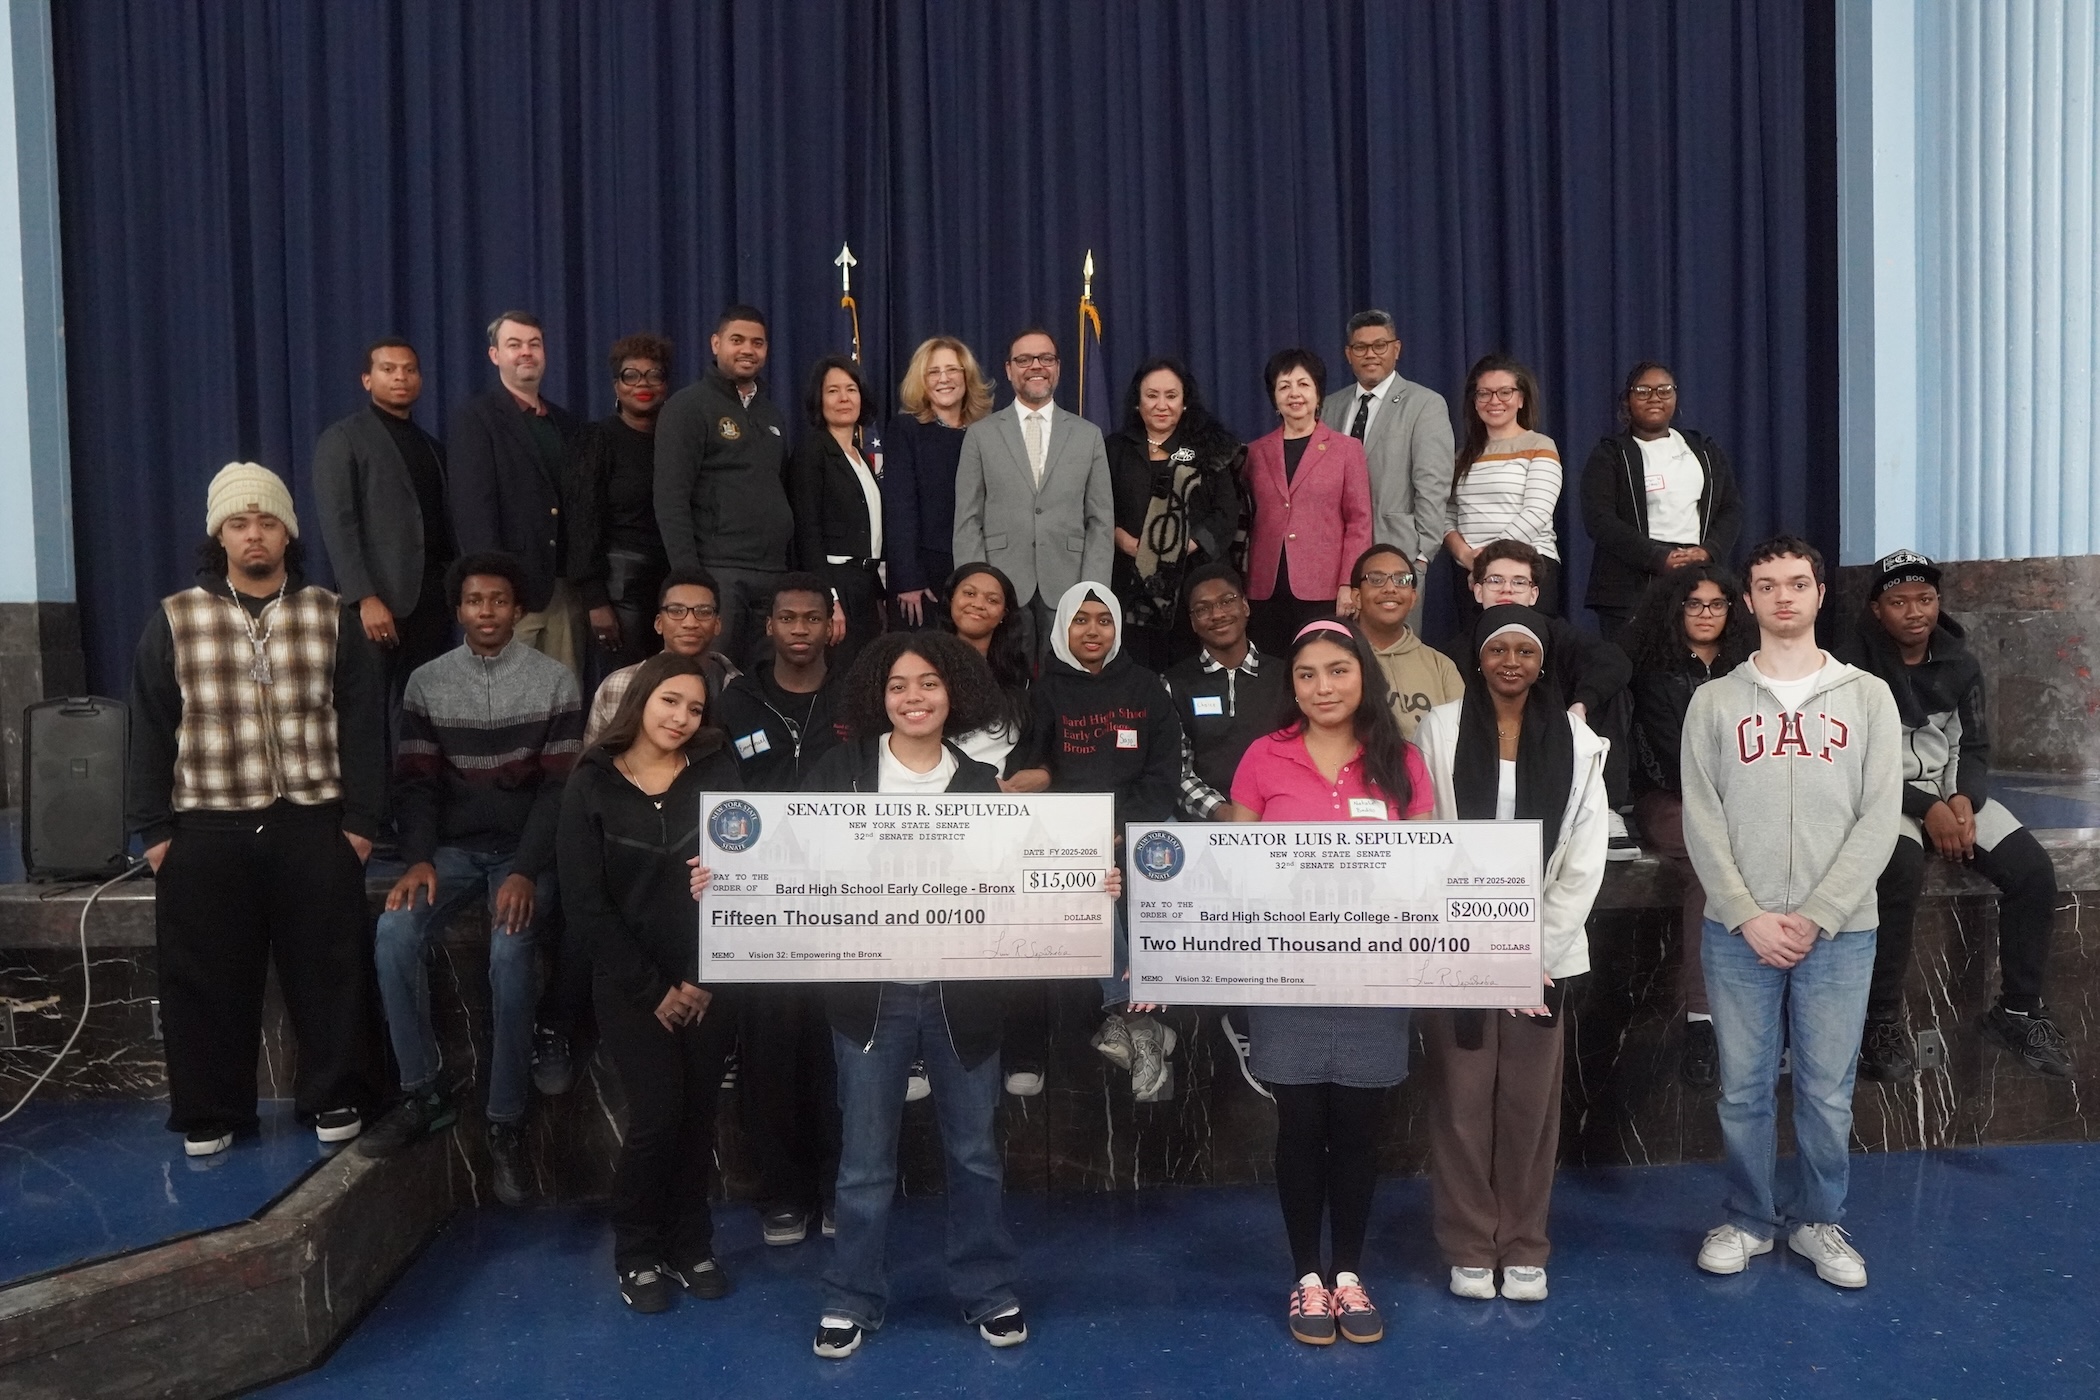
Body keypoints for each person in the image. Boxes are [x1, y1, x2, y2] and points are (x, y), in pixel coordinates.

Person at [779, 631, 1109, 1357]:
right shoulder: (839, 773)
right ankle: (851, 1298)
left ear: (953, 693)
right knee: (864, 1163)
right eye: (899, 686)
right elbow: (787, 863)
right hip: (869, 1000)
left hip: (964, 1002)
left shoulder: (982, 785)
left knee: (976, 1156)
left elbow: (1021, 887)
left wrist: (1087, 883)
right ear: (878, 697)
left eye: (928, 684)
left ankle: (987, 1291)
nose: (914, 698)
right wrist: (727, 878)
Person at [127, 463, 384, 1156]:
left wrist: (360, 824)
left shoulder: (329, 613)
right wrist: (154, 832)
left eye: (267, 522)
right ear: (220, 535)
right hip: (207, 828)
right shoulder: (178, 616)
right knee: (204, 976)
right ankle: (212, 1110)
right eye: (239, 524)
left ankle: (335, 1096)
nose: (254, 536)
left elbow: (363, 723)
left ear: (288, 532)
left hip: (313, 822)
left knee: (329, 969)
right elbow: (149, 725)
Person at [1681, 536, 1901, 1290]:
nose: (1783, 596)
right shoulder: (1714, 701)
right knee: (1742, 1086)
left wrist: (1820, 913)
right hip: (1737, 931)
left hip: (1839, 932)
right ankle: (1748, 1218)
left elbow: (1880, 817)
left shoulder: (1867, 695)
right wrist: (1745, 913)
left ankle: (1817, 1219)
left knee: (1825, 1088)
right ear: (1747, 601)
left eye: (1797, 583)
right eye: (1767, 585)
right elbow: (1701, 819)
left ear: (1818, 595)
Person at [1228, 618, 1434, 1346]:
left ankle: (1349, 1274)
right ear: (1292, 685)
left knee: (1356, 1129)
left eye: (1338, 671)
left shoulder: (1401, 760)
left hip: (1375, 975)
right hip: (1287, 975)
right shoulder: (1262, 756)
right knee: (1300, 1125)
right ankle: (1306, 1279)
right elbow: (1228, 865)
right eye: (1308, 674)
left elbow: (1428, 868)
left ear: (1362, 677)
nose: (1323, 686)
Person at [358, 552, 583, 1205]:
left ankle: (506, 1123)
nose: (486, 611)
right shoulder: (427, 682)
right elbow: (418, 785)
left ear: (518, 610)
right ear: (459, 611)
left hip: (524, 852)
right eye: (474, 601)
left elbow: (556, 792)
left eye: (499, 600)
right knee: (394, 934)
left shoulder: (555, 681)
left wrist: (524, 869)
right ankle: (422, 1091)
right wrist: (420, 858)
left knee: (512, 952)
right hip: (451, 852)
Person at [1415, 605, 1608, 1305]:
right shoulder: (1437, 729)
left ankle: (1525, 1245)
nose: (1511, 663)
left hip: (1543, 954)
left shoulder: (1581, 743)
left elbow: (1583, 859)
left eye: (1525, 651)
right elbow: (1423, 832)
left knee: (1530, 1103)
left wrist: (1537, 948)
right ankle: (1469, 1245)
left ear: (1542, 661)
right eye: (1498, 649)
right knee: (1461, 1100)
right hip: (1454, 941)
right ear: (1478, 656)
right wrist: (1463, 935)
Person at [1835, 551, 2069, 1080]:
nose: (1915, 611)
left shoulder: (1961, 662)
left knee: (2032, 871)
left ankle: (2017, 1010)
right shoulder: (1848, 666)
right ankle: (1880, 1022)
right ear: (1876, 609)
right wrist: (1926, 808)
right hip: (1881, 796)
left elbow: (1976, 744)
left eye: (1926, 599)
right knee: (1899, 869)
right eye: (1899, 601)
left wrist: (1962, 798)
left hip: (1951, 793)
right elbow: (1850, 760)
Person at [558, 650, 744, 1314]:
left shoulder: (720, 772)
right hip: (631, 986)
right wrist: (654, 990)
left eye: (695, 708)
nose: (682, 717)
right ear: (640, 699)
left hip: (709, 981)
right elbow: (585, 904)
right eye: (671, 701)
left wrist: (699, 976)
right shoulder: (591, 782)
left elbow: (747, 876)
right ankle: (636, 1251)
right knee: (657, 1117)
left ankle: (690, 1244)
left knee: (697, 1118)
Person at [1006, 582, 1183, 1099]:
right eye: (1079, 619)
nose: (1091, 630)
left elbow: (1164, 773)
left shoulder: (1147, 687)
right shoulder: (1046, 691)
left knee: (1149, 868)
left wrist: (1117, 828)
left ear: (1118, 628)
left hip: (1138, 823)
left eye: (1102, 620)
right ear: (1063, 627)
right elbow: (1033, 767)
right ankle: (1140, 1023)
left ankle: (1125, 1020)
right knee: (1090, 880)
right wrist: (1083, 834)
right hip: (1071, 831)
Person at [712, 573, 845, 1244]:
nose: (799, 629)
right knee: (769, 1055)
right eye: (787, 618)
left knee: (836, 1051)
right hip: (759, 905)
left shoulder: (857, 695)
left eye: (811, 618)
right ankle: (782, 1195)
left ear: (831, 625)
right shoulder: (736, 701)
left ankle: (835, 1189)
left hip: (844, 901)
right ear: (768, 626)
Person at [1622, 563, 1757, 1089]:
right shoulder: (1651, 667)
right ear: (1676, 609)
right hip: (1670, 797)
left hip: (1743, 797)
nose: (1705, 614)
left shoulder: (1749, 667)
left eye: (1717, 604)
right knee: (1709, 861)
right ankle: (1703, 1023)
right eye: (1694, 604)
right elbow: (1671, 755)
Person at [1446, 540, 1640, 859]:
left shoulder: (1558, 633)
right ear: (1477, 589)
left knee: (1612, 690)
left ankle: (1606, 811)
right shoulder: (1456, 650)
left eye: (1519, 582)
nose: (1507, 589)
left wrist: (1581, 705)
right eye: (1495, 580)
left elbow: (1615, 662)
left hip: (1556, 746)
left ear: (1534, 594)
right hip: (1486, 757)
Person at [312, 338, 457, 727]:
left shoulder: (433, 447)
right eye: (388, 369)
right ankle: (374, 791)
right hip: (379, 604)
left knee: (429, 713)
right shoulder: (343, 439)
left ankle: (420, 788)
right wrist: (364, 598)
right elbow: (339, 524)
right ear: (366, 379)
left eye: (409, 369)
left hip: (433, 601)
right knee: (371, 715)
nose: (400, 378)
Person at [951, 327, 1114, 653]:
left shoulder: (1088, 435)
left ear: (1058, 367)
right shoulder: (981, 435)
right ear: (1009, 370)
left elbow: (1100, 520)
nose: (1036, 366)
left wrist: (1092, 590)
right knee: (1005, 685)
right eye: (1024, 359)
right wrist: (976, 588)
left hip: (1069, 585)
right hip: (1001, 587)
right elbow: (968, 519)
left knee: (1062, 686)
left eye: (1045, 358)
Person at [653, 304, 795, 663]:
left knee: (761, 686)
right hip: (719, 574)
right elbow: (670, 498)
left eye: (757, 342)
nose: (748, 349)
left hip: (773, 573)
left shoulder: (772, 413)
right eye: (737, 340)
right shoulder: (688, 407)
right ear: (716, 344)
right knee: (709, 679)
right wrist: (692, 582)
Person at [447, 311, 583, 671]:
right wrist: (495, 594)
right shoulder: (476, 419)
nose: (526, 352)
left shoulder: (566, 424)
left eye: (534, 344)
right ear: (495, 356)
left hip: (563, 592)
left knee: (563, 697)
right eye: (514, 344)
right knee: (507, 701)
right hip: (510, 595)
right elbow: (474, 512)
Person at [1579, 362, 1744, 645]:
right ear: (1627, 400)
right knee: (1633, 672)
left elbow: (1731, 508)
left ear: (1676, 397)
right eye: (1643, 391)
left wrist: (1708, 551)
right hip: (1629, 583)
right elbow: (1599, 519)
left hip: (1696, 571)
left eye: (1664, 390)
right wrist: (1657, 557)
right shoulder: (1610, 454)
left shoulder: (1703, 449)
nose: (1654, 397)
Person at [1105, 356, 1245, 668]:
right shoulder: (1114, 449)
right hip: (1130, 582)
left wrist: (1186, 544)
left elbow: (1226, 512)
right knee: (1139, 668)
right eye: (1151, 395)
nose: (1161, 404)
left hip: (1193, 580)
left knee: (1192, 667)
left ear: (1184, 402)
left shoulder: (1210, 447)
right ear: (1137, 402)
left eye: (1171, 395)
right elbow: (1097, 509)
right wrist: (1122, 540)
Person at [1243, 348, 1372, 656]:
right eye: (1284, 386)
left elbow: (1359, 521)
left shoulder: (1346, 449)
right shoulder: (1255, 452)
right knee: (1272, 672)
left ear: (1318, 393)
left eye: (1303, 384)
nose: (1294, 394)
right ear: (1274, 396)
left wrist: (1348, 583)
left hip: (1324, 588)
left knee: (1320, 664)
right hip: (1265, 588)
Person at [1321, 311, 1454, 609]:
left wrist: (1423, 554)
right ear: (1348, 354)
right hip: (1336, 561)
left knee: (1393, 650)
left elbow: (1433, 484)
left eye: (1380, 345)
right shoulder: (1330, 406)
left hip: (1399, 555)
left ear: (1396, 349)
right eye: (1360, 347)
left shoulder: (1425, 405)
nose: (1370, 354)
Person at [568, 333, 674, 678]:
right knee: (625, 688)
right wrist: (596, 601)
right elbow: (582, 521)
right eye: (631, 375)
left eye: (654, 374)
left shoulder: (679, 441)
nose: (643, 384)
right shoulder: (597, 439)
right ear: (616, 385)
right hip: (619, 590)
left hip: (670, 586)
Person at [1444, 354, 1560, 631]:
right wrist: (1465, 556)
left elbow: (1537, 511)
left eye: (1505, 392)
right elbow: (1446, 514)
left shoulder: (1540, 445)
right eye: (1484, 393)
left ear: (1521, 399)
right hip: (1472, 573)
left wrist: (1488, 562)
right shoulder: (1461, 457)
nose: (1494, 401)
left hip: (1528, 567)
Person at [1163, 563, 1286, 822]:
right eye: (1203, 609)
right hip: (1203, 828)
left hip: (1279, 819)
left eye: (1226, 601)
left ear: (1245, 606)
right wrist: (1228, 814)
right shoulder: (1174, 684)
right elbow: (1176, 770)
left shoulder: (1287, 677)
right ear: (1193, 622)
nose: (1217, 614)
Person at [884, 337, 993, 625]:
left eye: (952, 370)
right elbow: (899, 508)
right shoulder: (906, 430)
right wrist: (908, 578)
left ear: (967, 377)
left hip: (977, 571)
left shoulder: (988, 434)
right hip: (922, 580)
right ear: (922, 380)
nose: (944, 379)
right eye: (933, 372)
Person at [789, 354, 885, 673]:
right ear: (819, 398)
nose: (844, 398)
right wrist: (828, 601)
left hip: (865, 585)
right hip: (835, 584)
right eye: (833, 391)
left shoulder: (861, 456)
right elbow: (807, 530)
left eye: (851, 389)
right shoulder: (812, 451)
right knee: (838, 680)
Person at [584, 569, 740, 748]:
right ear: (658, 623)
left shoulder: (739, 690)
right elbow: (592, 767)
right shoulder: (617, 686)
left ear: (718, 624)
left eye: (703, 612)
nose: (690, 623)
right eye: (676, 611)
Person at [1349, 543, 1462, 740]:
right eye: (1376, 580)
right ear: (1356, 597)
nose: (1390, 588)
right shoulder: (1336, 660)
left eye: (1402, 580)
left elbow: (1461, 738)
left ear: (1413, 598)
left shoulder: (1440, 666)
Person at [934, 562, 1033, 778]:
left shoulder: (1017, 674)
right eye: (969, 593)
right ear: (951, 599)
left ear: (1004, 614)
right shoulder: (924, 664)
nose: (978, 604)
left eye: (992, 600)